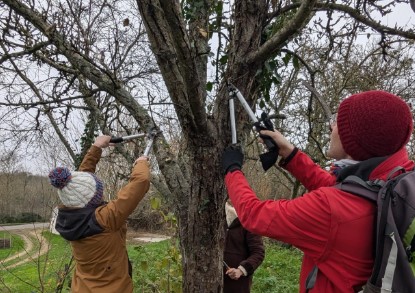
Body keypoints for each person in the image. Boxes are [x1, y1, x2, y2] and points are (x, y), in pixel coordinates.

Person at [221, 90, 414, 293]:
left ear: (354, 140)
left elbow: (254, 215)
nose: (332, 127)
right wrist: (290, 153)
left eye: (339, 123)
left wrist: (232, 169)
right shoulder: (392, 180)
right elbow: (338, 188)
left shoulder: (331, 210)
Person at [48, 135, 150, 293]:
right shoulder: (105, 219)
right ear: (93, 199)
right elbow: (141, 181)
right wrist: (141, 162)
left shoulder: (70, 215)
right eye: (99, 192)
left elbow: (82, 182)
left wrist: (96, 148)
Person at [223, 200, 265, 293]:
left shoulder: (249, 222)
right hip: (213, 279)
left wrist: (241, 270)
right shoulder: (217, 217)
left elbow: (258, 253)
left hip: (237, 285)